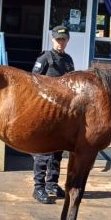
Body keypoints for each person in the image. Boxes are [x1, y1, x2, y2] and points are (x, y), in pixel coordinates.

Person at [31, 25, 75, 203]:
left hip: (62, 113)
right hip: (45, 111)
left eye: (63, 39)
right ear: (52, 39)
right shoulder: (45, 58)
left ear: (67, 40)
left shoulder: (68, 60)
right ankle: (38, 187)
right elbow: (32, 82)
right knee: (43, 150)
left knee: (57, 151)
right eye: (58, 39)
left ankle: (52, 183)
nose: (60, 43)